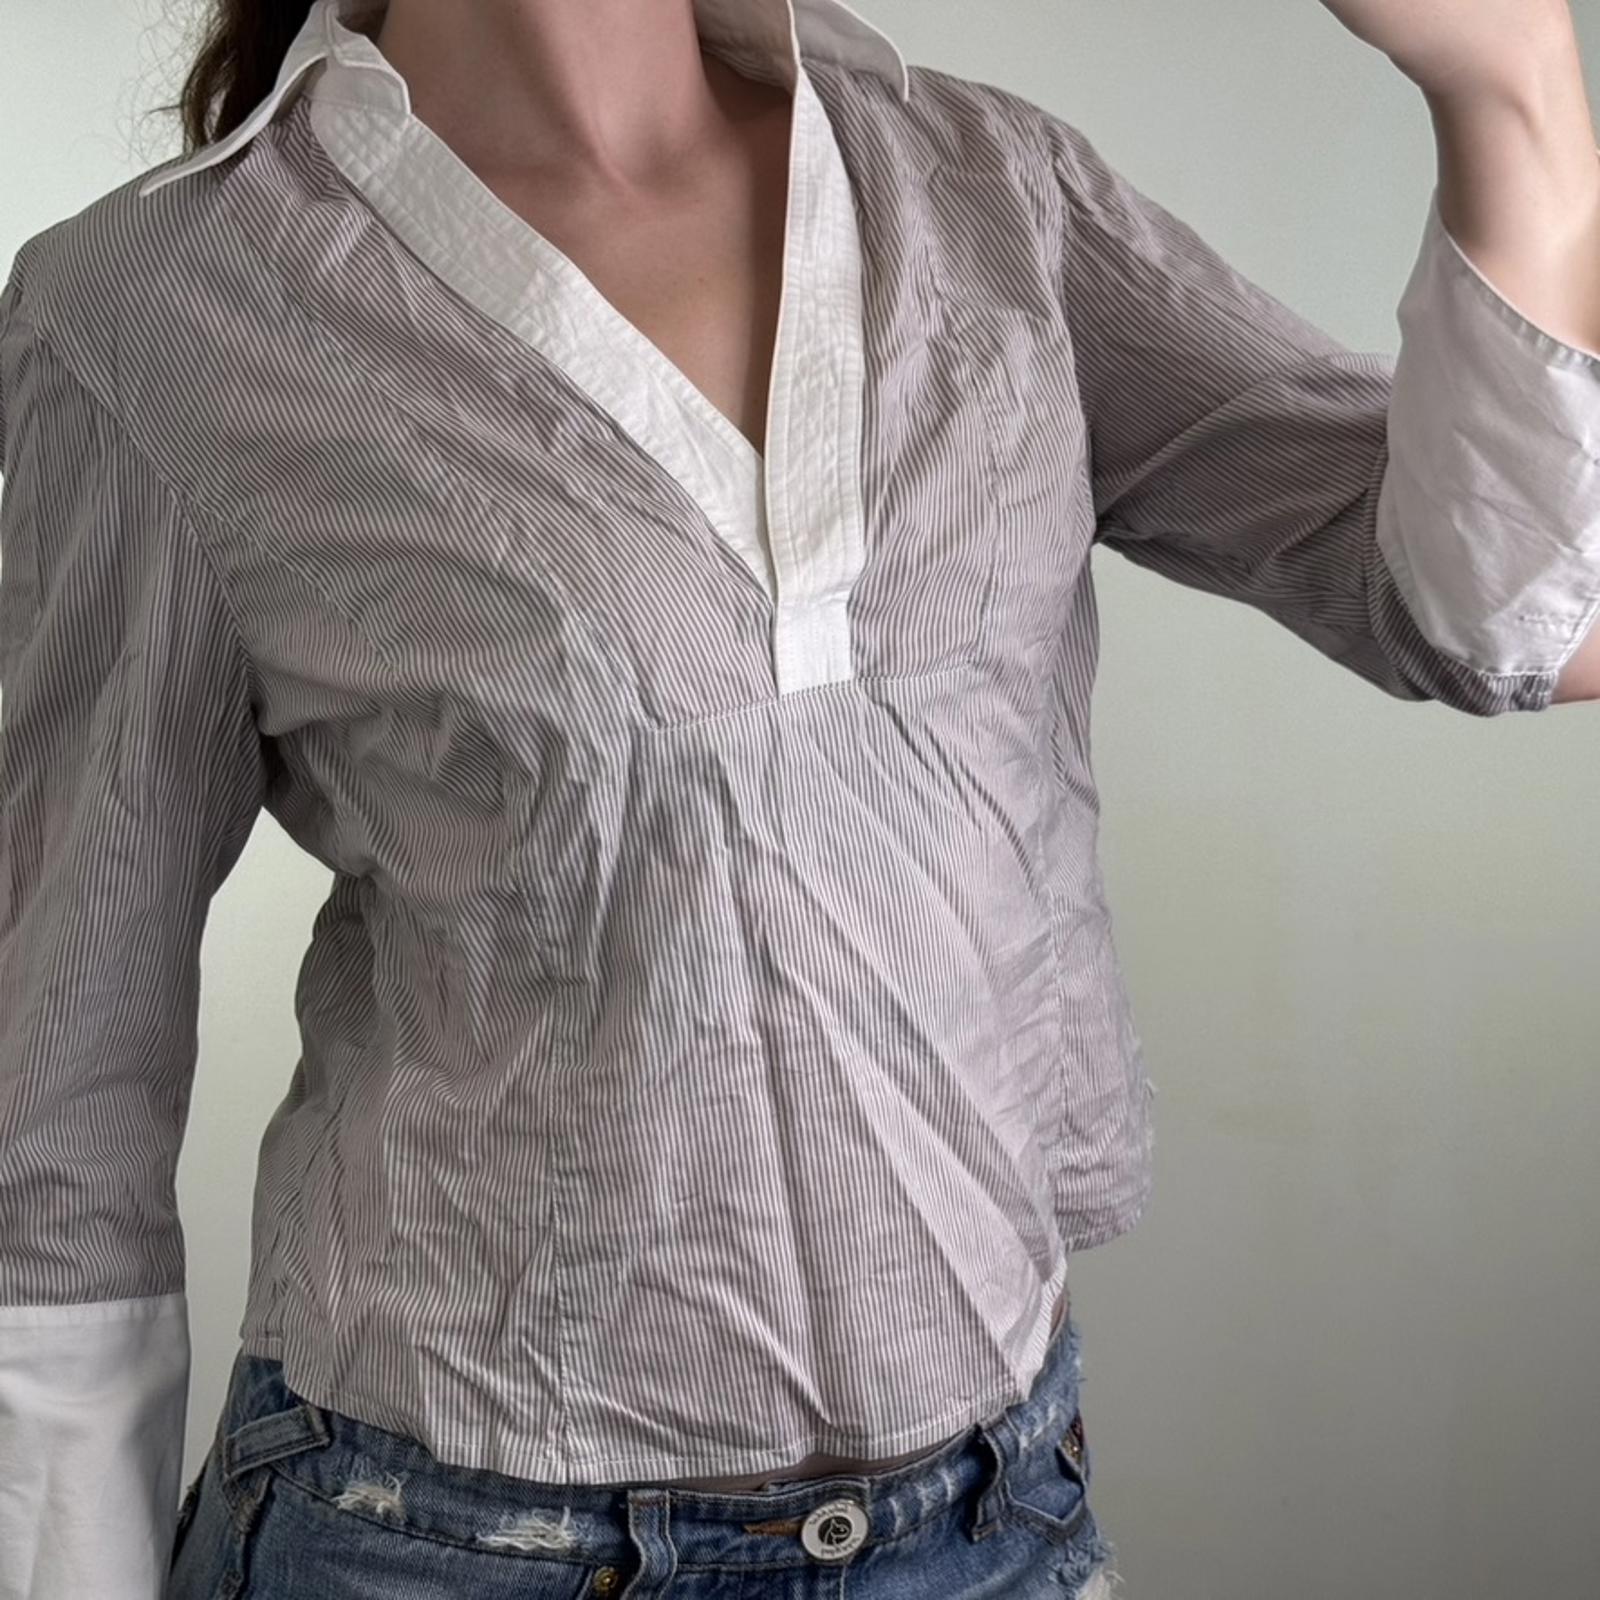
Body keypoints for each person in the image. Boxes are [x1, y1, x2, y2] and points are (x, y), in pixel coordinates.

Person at [1, 2, 1597, 1597]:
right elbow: (55, 1097)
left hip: (986, 1528)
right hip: (449, 1544)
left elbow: (1520, 620)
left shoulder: (984, 189)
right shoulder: (160, 310)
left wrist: (1509, 76)